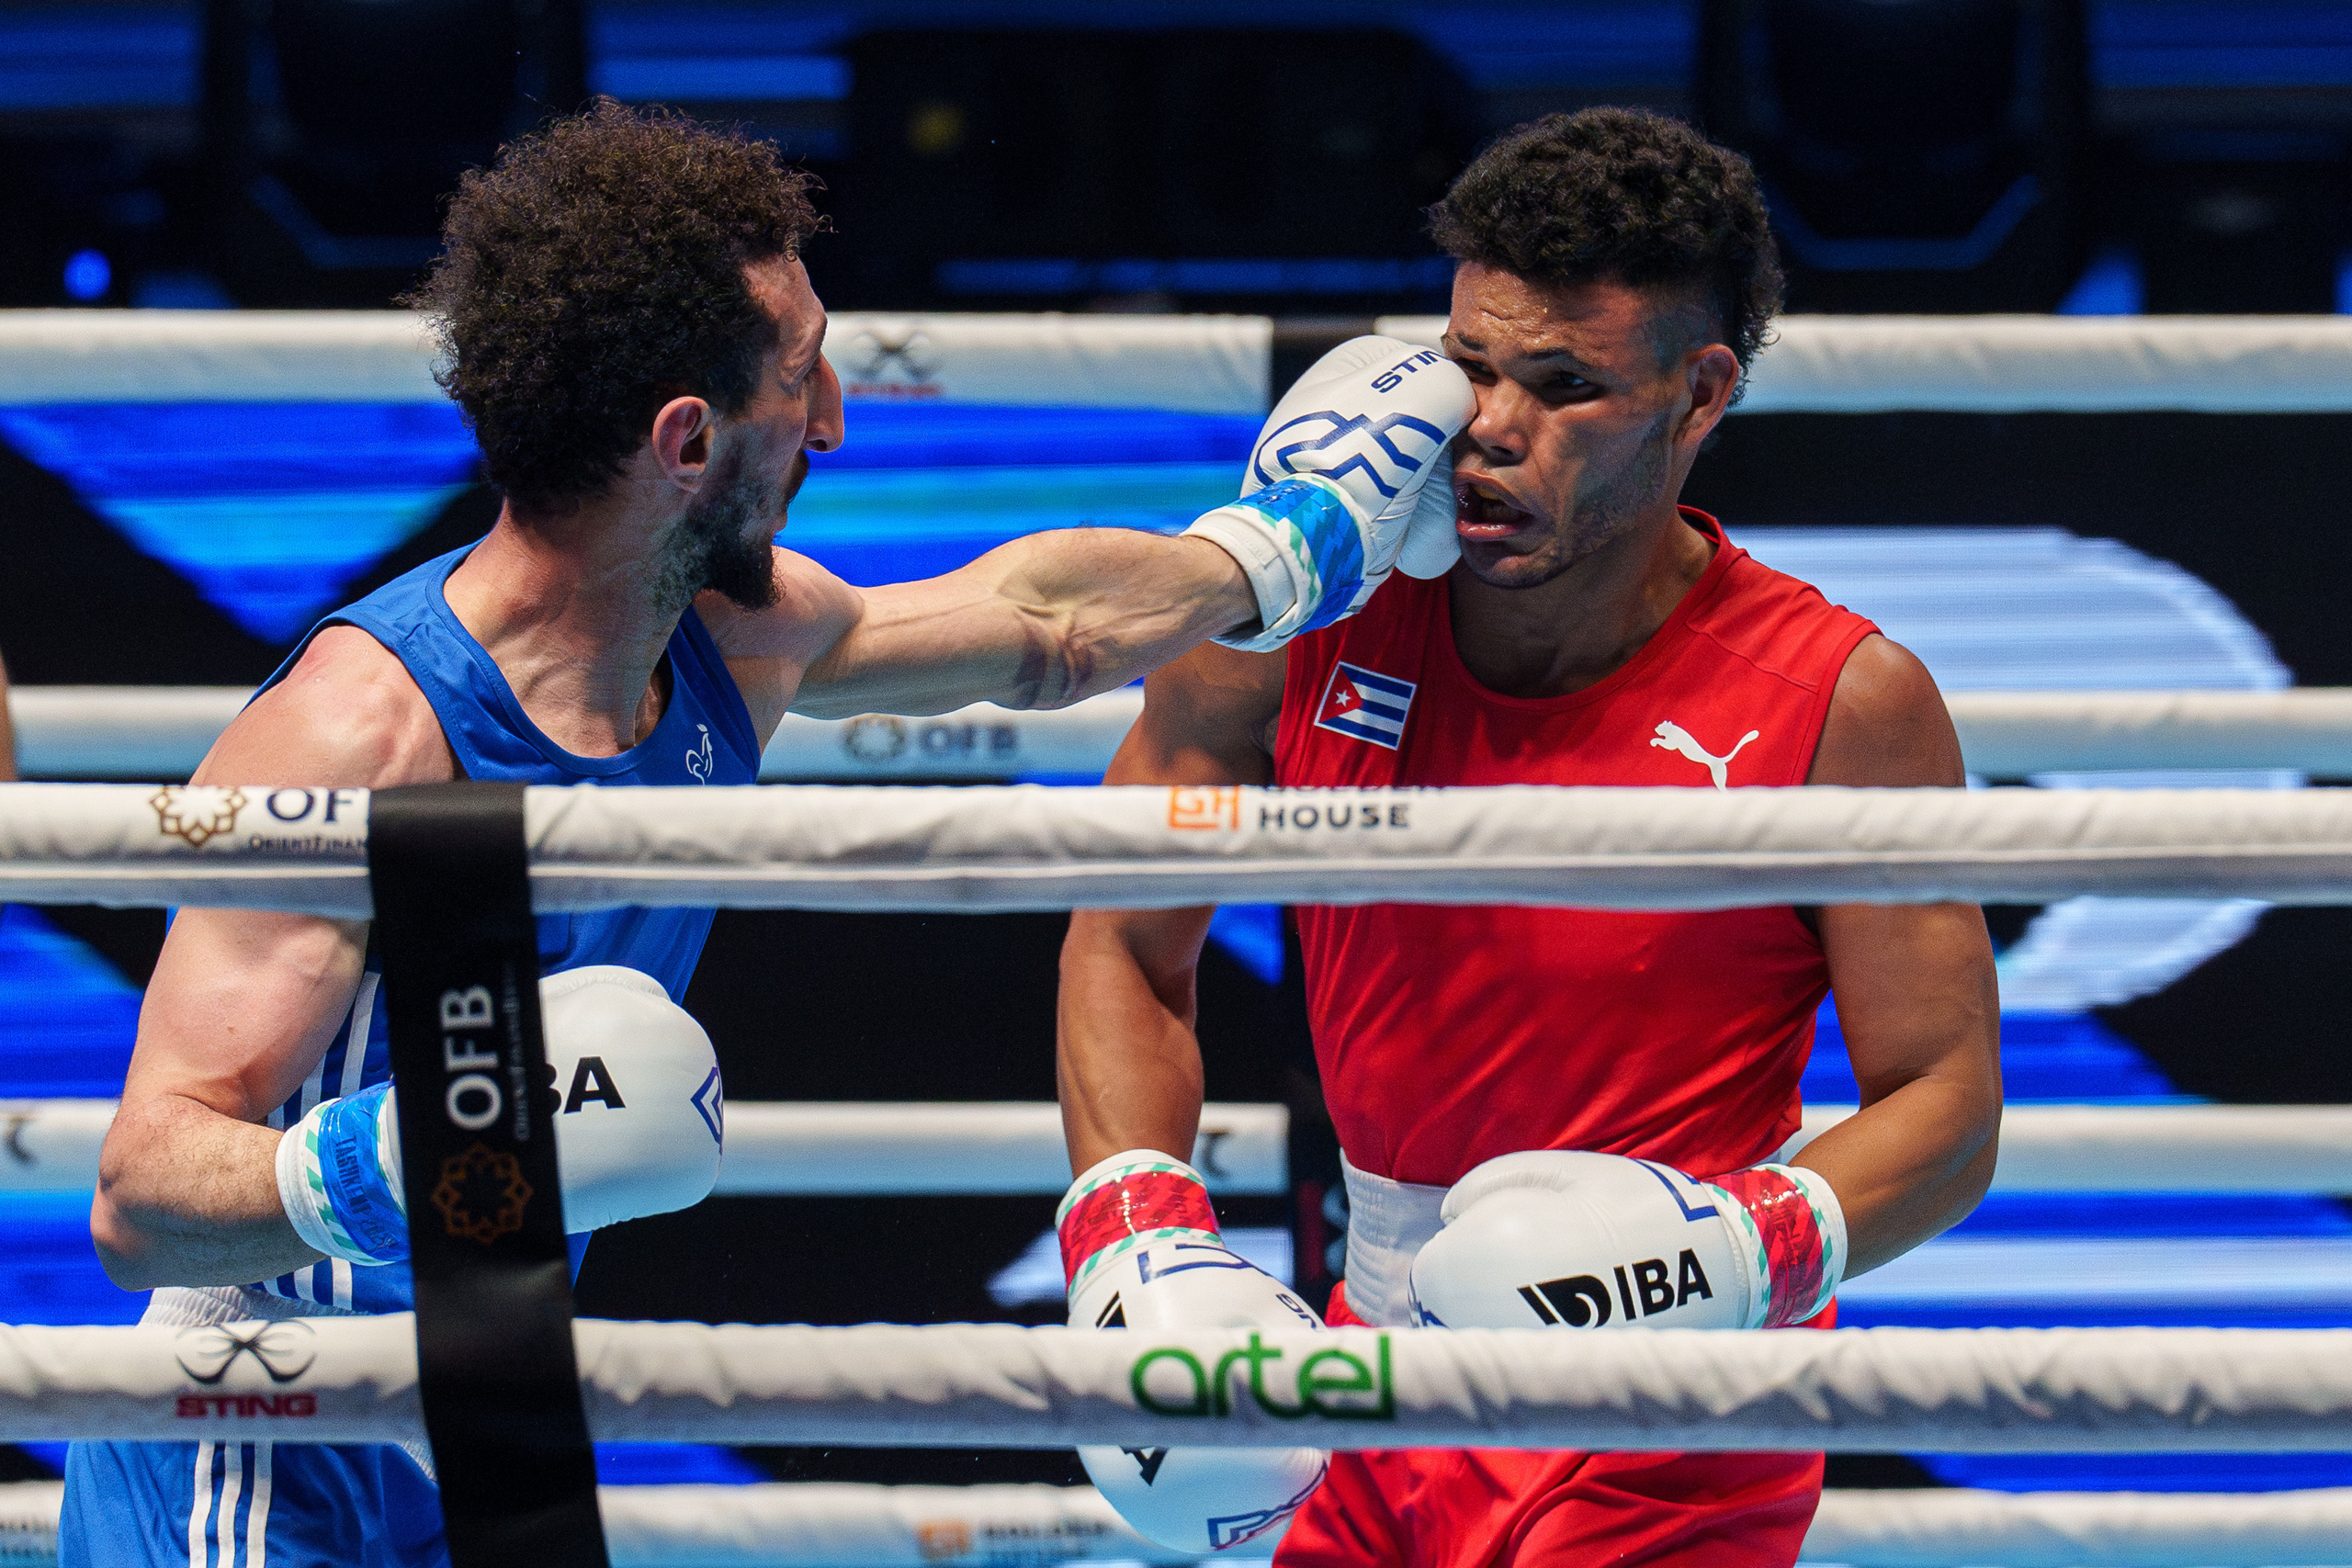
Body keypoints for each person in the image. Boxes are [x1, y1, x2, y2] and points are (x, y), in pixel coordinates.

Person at [62, 103, 1464, 1568]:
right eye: (802, 378)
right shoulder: (365, 732)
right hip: (264, 1447)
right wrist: (428, 1151)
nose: (838, 418)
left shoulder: (731, 641)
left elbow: (1038, 627)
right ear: (687, 441)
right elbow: (141, 1197)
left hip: (484, 1412)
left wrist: (1285, 546)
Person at [1055, 107, 2002, 1567]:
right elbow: (1127, 927)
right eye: (1472, 365)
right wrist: (1131, 1225)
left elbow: (1945, 1103)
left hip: (1680, 1404)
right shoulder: (1309, 605)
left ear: (1701, 395)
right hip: (1369, 1378)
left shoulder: (1840, 700)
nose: (1492, 427)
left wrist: (1745, 1246)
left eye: (1566, 386)